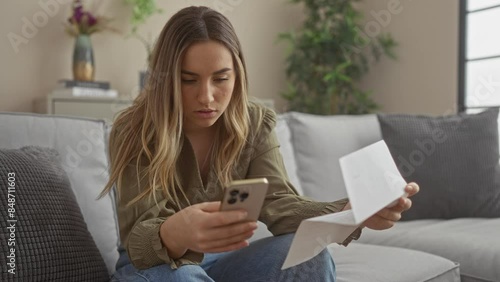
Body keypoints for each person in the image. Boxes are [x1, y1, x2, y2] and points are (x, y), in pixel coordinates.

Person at [99, 6, 419, 282]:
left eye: (221, 79)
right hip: (158, 267)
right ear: (166, 78)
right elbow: (139, 240)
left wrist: (350, 212)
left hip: (224, 261)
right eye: (188, 80)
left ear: (237, 75)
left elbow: (281, 206)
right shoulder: (135, 129)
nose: (207, 96)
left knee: (311, 258)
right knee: (184, 276)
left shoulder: (254, 122)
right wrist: (177, 231)